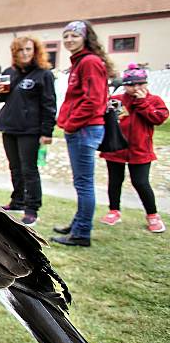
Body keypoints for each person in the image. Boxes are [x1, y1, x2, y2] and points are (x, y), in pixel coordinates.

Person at [51, 21, 116, 248]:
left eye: (74, 36)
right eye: (66, 35)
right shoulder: (81, 62)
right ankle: (78, 223)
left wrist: (70, 124)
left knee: (84, 183)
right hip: (81, 129)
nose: (69, 40)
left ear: (85, 38)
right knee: (81, 183)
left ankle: (81, 233)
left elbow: (94, 101)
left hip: (84, 130)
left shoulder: (89, 62)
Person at [0, 36, 57, 226]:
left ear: (35, 51)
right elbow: (1, 99)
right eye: (20, 50)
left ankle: (32, 208)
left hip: (30, 129)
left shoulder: (43, 74)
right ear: (15, 52)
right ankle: (18, 200)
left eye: (28, 49)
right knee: (15, 168)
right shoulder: (9, 72)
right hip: (9, 127)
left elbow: (49, 104)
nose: (25, 53)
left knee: (29, 170)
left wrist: (47, 132)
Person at [99, 64, 168, 233]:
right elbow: (104, 117)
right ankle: (114, 210)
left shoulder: (154, 100)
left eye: (140, 83)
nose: (136, 87)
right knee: (115, 181)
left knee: (141, 182)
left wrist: (142, 102)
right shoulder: (117, 99)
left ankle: (152, 215)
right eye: (131, 84)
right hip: (116, 148)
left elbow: (159, 119)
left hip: (141, 150)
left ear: (146, 83)